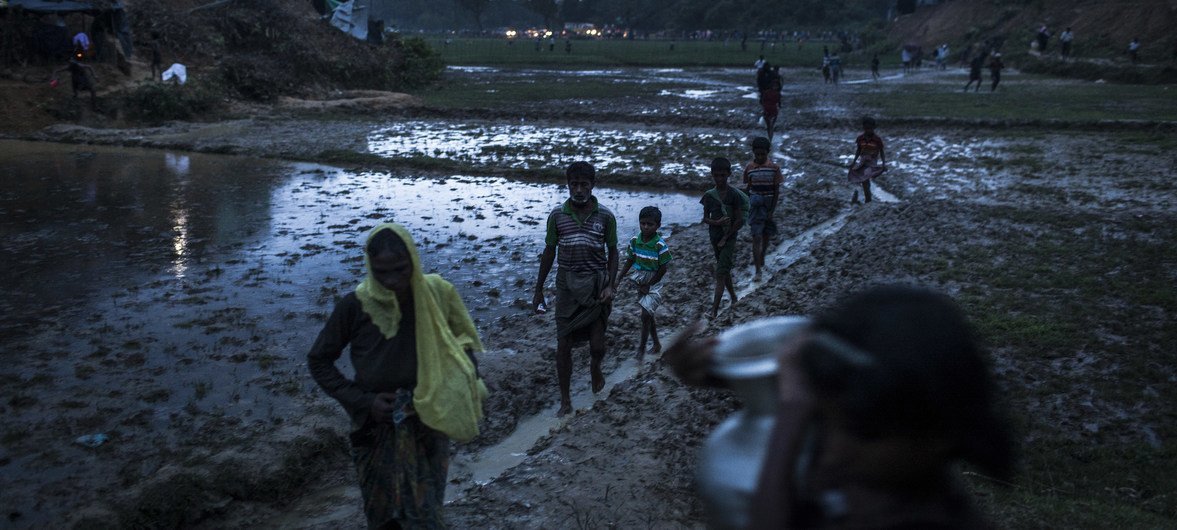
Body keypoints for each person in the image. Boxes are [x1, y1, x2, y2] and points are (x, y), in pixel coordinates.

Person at [662, 285, 1017, 529]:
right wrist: (718, 373)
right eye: (826, 420)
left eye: (861, 433)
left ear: (940, 433)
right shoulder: (874, 445)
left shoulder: (924, 521)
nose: (832, 453)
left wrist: (791, 415)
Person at [307, 223, 487, 529]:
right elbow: (319, 360)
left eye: (400, 270)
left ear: (414, 261)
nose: (392, 281)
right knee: (383, 514)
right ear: (370, 267)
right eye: (381, 273)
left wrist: (462, 384)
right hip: (376, 424)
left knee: (426, 506)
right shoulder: (355, 306)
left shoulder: (437, 295)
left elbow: (462, 344)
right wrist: (364, 401)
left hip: (429, 418)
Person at [533, 162, 619, 416]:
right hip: (567, 286)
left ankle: (595, 367)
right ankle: (565, 400)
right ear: (568, 185)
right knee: (563, 344)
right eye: (574, 184)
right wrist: (538, 289)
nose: (579, 189)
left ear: (593, 185)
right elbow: (549, 252)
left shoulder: (605, 216)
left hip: (595, 284)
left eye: (584, 184)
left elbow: (613, 252)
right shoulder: (557, 216)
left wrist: (611, 285)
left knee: (597, 346)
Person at [614, 206, 672, 361]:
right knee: (647, 314)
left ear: (657, 226)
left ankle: (641, 348)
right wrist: (619, 278)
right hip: (640, 280)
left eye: (650, 224)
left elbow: (663, 269)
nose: (645, 227)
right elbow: (630, 260)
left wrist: (650, 284)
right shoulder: (635, 241)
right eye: (643, 223)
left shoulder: (660, 245)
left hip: (655, 281)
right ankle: (657, 344)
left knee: (646, 314)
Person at [701, 157, 748, 318]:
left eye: (723, 175)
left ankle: (714, 310)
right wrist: (717, 222)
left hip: (729, 238)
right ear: (712, 175)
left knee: (720, 273)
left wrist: (726, 237)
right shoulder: (709, 196)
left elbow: (740, 219)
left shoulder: (734, 195)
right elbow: (705, 218)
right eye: (716, 176)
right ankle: (734, 297)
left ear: (729, 174)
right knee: (724, 269)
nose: (720, 179)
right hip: (714, 237)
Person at [743, 136, 783, 279]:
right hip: (755, 207)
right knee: (756, 236)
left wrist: (772, 210)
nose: (760, 157)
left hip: (768, 207)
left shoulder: (774, 169)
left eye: (763, 154)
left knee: (766, 235)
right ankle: (758, 271)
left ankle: (762, 255)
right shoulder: (749, 168)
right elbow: (748, 187)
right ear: (753, 152)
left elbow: (776, 190)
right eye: (757, 154)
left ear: (768, 153)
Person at [847, 116, 886, 204]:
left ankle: (868, 199)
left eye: (870, 128)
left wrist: (883, 164)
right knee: (861, 178)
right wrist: (854, 162)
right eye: (866, 128)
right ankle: (866, 198)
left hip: (872, 162)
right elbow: (858, 150)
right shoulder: (860, 138)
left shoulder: (877, 139)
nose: (868, 130)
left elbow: (881, 151)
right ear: (864, 128)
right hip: (863, 161)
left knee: (865, 179)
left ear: (874, 128)